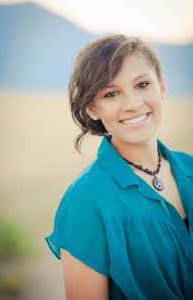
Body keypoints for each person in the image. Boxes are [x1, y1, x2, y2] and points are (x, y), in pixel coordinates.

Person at [46, 34, 193, 300]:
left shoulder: (190, 168)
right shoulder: (86, 198)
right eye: (112, 93)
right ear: (92, 108)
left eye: (143, 84)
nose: (133, 104)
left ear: (161, 87)